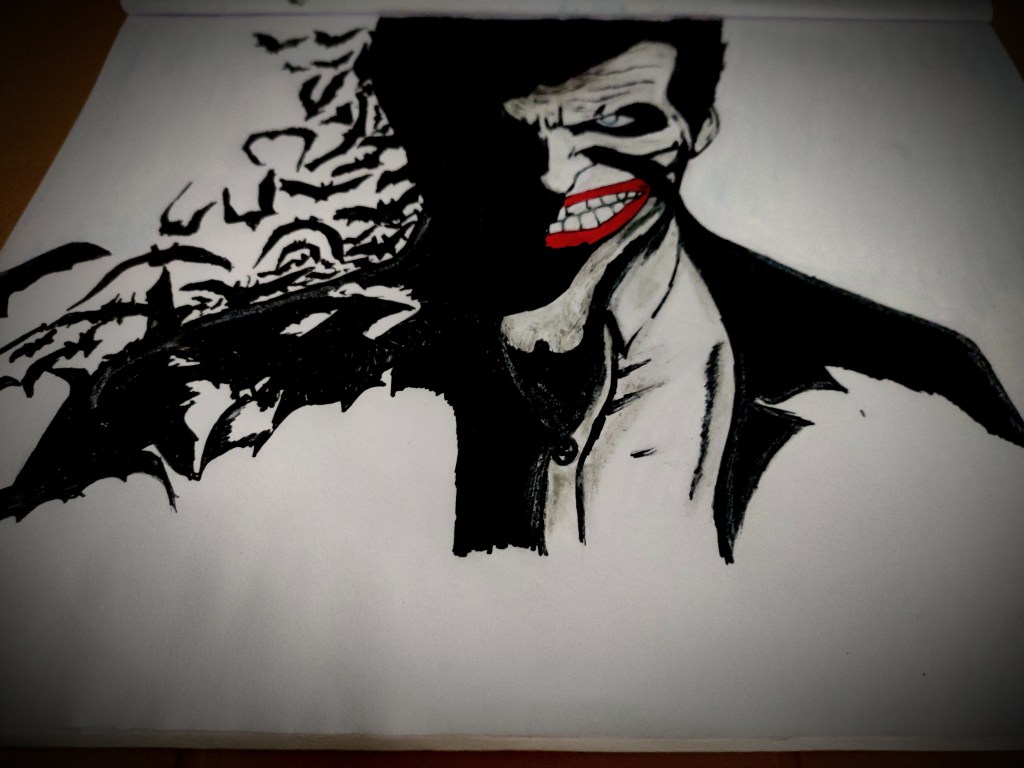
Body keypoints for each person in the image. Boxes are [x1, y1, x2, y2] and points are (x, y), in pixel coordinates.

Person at [2, 17, 1022, 565]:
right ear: (424, 132)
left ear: (699, 130)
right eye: (505, 129)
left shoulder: (916, 383)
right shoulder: (195, 399)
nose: (553, 173)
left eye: (620, 123)